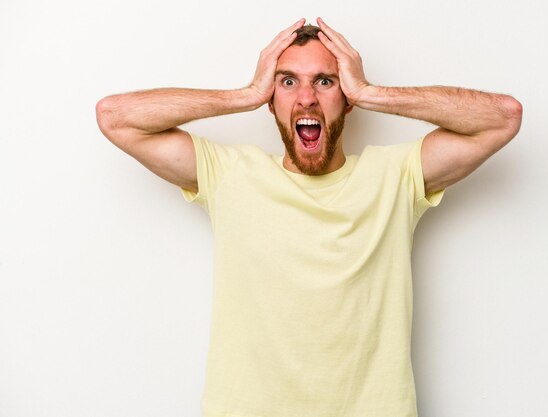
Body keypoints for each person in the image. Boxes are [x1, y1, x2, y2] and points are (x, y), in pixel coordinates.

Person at [96, 17, 522, 417]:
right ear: (271, 98)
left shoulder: (395, 176)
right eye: (287, 82)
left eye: (325, 81)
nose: (306, 97)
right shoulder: (229, 174)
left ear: (347, 98)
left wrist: (371, 92)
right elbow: (115, 117)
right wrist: (243, 95)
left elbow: (502, 117)